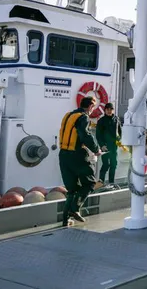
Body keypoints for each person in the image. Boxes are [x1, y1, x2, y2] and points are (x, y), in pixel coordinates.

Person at [58, 96, 102, 226]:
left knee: (72, 190)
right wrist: (96, 149)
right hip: (76, 155)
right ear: (90, 107)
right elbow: (85, 134)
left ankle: (65, 221)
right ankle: (75, 209)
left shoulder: (68, 115)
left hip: (63, 155)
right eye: (93, 108)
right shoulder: (83, 117)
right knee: (89, 183)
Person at [96, 103, 122, 184]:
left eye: (111, 109)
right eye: (107, 109)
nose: (109, 111)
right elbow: (98, 135)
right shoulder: (101, 121)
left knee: (113, 165)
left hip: (114, 146)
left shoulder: (116, 119)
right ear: (105, 110)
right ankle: (101, 183)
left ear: (113, 110)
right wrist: (102, 145)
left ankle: (111, 183)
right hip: (105, 147)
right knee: (105, 165)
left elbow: (120, 131)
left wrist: (119, 140)